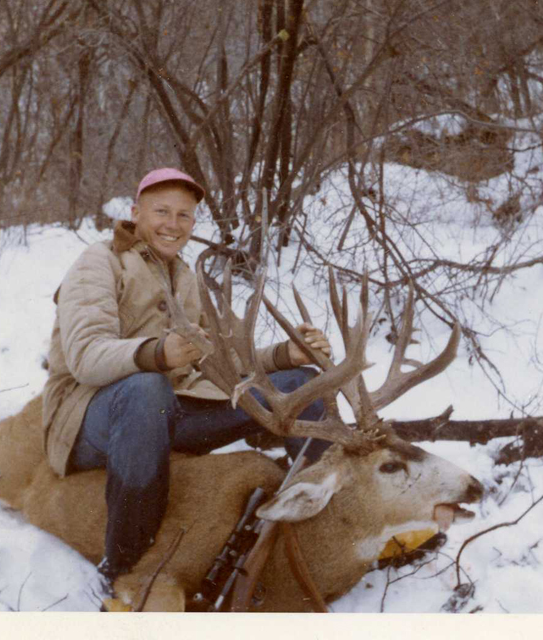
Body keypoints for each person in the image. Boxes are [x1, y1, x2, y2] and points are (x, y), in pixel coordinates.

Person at [42, 168, 332, 583]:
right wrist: (158, 354)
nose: (172, 225)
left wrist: (287, 353)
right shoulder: (98, 262)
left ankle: (327, 520)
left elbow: (232, 355)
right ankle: (126, 563)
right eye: (161, 211)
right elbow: (86, 357)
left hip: (167, 410)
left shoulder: (184, 276)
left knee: (301, 384)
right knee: (146, 388)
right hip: (87, 420)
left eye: (184, 216)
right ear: (135, 212)